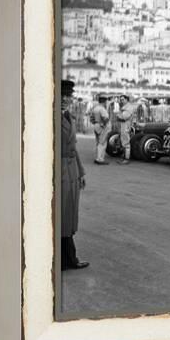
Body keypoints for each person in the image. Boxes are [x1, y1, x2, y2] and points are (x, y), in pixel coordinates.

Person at [60, 80, 89, 271]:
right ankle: (66, 259)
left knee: (68, 214)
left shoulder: (67, 116)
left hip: (70, 171)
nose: (64, 99)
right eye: (61, 95)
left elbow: (74, 148)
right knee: (60, 214)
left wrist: (81, 172)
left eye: (68, 95)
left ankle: (68, 258)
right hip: (58, 170)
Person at [90, 92, 111, 165]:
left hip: (96, 125)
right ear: (104, 101)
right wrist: (103, 124)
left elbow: (91, 118)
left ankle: (97, 157)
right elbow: (106, 118)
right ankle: (100, 159)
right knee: (102, 143)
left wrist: (95, 123)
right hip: (102, 126)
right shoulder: (102, 109)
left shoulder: (95, 108)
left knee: (98, 142)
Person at [116, 94, 133, 165]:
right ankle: (124, 157)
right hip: (123, 124)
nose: (121, 101)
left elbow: (123, 116)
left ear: (127, 99)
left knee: (126, 142)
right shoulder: (124, 107)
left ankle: (126, 158)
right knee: (123, 141)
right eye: (121, 100)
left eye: (123, 99)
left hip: (126, 124)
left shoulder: (129, 107)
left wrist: (118, 115)